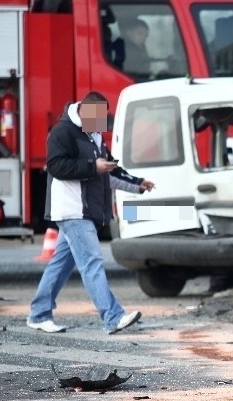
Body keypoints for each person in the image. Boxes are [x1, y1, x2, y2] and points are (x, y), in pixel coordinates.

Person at [27, 91, 155, 334]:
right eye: (98, 119)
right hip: (72, 210)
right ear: (84, 112)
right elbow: (55, 166)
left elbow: (107, 170)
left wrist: (137, 183)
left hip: (83, 210)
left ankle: (39, 313)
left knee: (61, 265)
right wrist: (91, 167)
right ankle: (112, 317)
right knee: (92, 262)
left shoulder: (93, 135)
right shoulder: (62, 132)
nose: (101, 126)